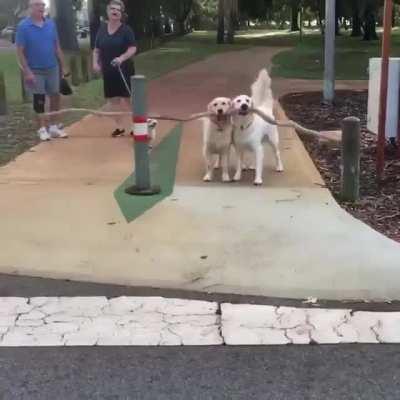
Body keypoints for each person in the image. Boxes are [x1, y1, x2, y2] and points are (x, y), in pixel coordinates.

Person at [16, 0, 68, 141]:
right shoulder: (23, 26)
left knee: (55, 96)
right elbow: (19, 51)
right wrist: (27, 71)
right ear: (30, 8)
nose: (41, 7)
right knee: (39, 100)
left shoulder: (51, 24)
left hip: (52, 67)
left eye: (43, 5)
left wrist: (64, 66)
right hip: (35, 70)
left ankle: (53, 126)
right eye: (37, 5)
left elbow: (57, 46)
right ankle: (41, 129)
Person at [93, 0, 137, 137]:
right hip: (108, 70)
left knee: (128, 99)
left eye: (118, 10)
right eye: (112, 9)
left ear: (121, 13)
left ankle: (137, 126)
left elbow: (133, 48)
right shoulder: (101, 29)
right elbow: (96, 49)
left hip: (124, 69)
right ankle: (120, 127)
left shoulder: (126, 30)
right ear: (107, 11)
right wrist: (95, 63)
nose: (115, 11)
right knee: (113, 101)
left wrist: (121, 58)